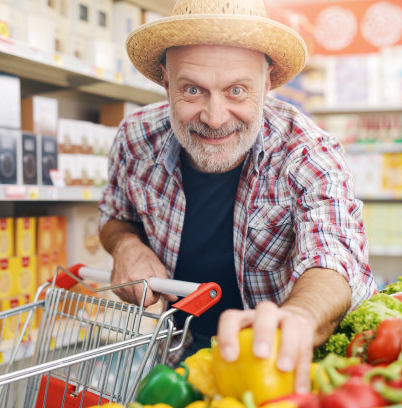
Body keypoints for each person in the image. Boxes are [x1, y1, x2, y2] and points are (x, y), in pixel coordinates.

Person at [98, 0, 376, 393]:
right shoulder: (135, 137)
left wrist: (297, 317)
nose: (214, 116)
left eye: (237, 91)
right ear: (165, 80)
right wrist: (125, 244)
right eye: (192, 89)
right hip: (184, 366)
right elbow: (115, 214)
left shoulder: (308, 152)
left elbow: (333, 258)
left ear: (268, 83)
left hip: (284, 372)